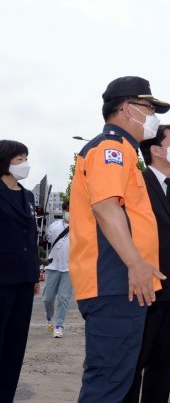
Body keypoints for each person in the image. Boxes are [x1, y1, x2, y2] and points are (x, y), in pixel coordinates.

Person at [69, 76, 170, 403]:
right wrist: (136, 263)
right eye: (149, 107)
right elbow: (106, 208)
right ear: (127, 109)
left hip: (120, 283)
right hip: (114, 282)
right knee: (108, 386)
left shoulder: (124, 151)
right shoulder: (110, 149)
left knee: (117, 381)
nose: (154, 115)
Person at [125, 125, 170, 403]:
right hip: (143, 285)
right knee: (134, 360)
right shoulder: (136, 184)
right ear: (156, 149)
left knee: (164, 361)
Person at [0, 140, 40, 403]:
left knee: (15, 346)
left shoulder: (28, 196)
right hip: (1, 279)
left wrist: (35, 273)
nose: (24, 164)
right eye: (18, 159)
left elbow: (32, 236)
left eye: (26, 158)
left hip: (24, 280)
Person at [42, 200, 72, 338]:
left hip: (69, 268)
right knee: (48, 298)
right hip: (53, 266)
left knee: (64, 298)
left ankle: (59, 325)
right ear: (63, 211)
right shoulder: (53, 227)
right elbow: (46, 240)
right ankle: (49, 317)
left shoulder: (81, 227)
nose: (70, 214)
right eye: (68, 210)